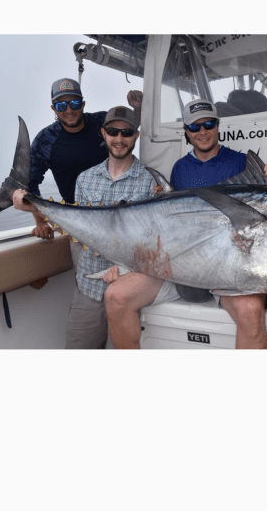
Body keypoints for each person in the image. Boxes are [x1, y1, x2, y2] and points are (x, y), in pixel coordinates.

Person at [13, 106, 179, 350]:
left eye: (126, 132)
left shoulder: (152, 182)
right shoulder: (85, 179)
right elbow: (79, 227)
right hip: (89, 285)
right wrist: (35, 210)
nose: (119, 138)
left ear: (136, 136)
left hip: (130, 284)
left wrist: (125, 270)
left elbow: (155, 242)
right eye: (113, 132)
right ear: (103, 133)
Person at [170, 99, 267, 349]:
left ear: (218, 126)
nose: (203, 131)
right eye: (195, 127)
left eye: (208, 124)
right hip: (195, 266)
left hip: (237, 261)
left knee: (251, 309)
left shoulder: (242, 162)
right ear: (186, 131)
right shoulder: (179, 169)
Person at [13, 78, 142, 241]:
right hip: (79, 223)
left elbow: (128, 131)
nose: (69, 110)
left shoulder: (101, 122)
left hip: (120, 215)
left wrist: (138, 108)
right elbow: (30, 184)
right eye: (61, 105)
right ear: (53, 108)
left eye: (74, 103)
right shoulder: (46, 140)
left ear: (83, 104)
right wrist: (40, 221)